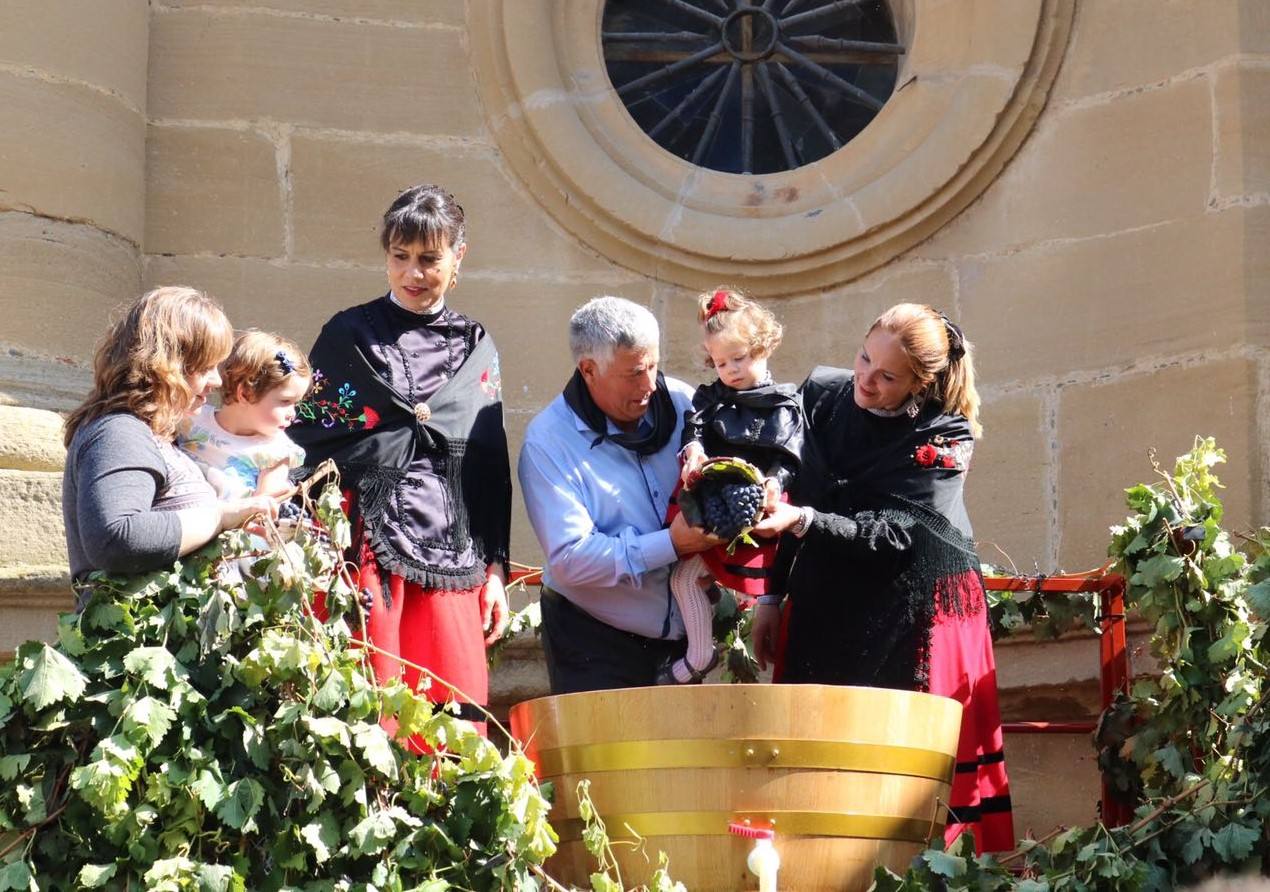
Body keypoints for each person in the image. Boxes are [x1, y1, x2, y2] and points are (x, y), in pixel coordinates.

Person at [751, 303, 1015, 854]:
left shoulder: (947, 435)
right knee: (819, 754)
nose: (865, 380)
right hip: (827, 584)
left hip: (919, 605)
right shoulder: (822, 393)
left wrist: (803, 521)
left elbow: (895, 535)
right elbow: (790, 490)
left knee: (907, 774)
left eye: (887, 376)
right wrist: (771, 595)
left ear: (921, 383)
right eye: (864, 357)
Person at [289, 185, 511, 735]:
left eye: (429, 259)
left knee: (452, 725)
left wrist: (497, 570)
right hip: (366, 550)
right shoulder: (349, 335)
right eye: (401, 257)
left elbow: (487, 464)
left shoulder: (475, 343)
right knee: (372, 718)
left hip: (453, 553)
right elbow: (306, 442)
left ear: (458, 257)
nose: (414, 273)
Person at [518, 296, 721, 694]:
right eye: (634, 373)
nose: (650, 385)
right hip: (594, 642)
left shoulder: (684, 403)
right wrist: (672, 543)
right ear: (588, 369)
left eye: (653, 366)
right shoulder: (547, 444)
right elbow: (572, 560)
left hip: (685, 642)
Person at [62, 287, 277, 601]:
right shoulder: (119, 432)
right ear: (167, 366)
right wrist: (221, 516)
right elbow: (116, 538)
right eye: (205, 368)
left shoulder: (150, 434)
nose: (217, 381)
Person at [661, 287, 804, 684]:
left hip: (758, 510)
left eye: (739, 358)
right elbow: (695, 427)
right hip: (713, 503)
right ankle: (699, 654)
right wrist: (692, 452)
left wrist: (775, 483)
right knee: (683, 577)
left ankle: (764, 668)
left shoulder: (784, 403)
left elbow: (789, 456)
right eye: (721, 362)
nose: (730, 370)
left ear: (762, 347)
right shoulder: (712, 397)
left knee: (759, 598)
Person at [177, 330, 310, 500]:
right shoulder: (191, 419)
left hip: (234, 523)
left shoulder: (276, 451)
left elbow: (263, 506)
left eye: (295, 403)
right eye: (285, 402)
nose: (293, 414)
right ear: (246, 394)